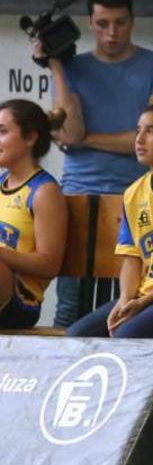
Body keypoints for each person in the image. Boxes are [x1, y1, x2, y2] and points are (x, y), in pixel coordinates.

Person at [38, 0, 153, 327]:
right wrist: (56, 64)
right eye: (102, 24)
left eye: (120, 23)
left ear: (132, 21)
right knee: (69, 307)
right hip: (78, 193)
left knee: (129, 301)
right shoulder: (74, 66)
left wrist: (85, 140)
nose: (112, 32)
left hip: (136, 195)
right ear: (90, 24)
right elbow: (68, 132)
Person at [66, 105, 153, 337]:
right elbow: (131, 258)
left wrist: (142, 304)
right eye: (138, 131)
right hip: (141, 295)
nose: (139, 139)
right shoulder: (134, 193)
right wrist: (125, 299)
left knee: (127, 336)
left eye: (151, 131)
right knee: (77, 336)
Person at [0, 100, 67, 329]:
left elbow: (48, 265)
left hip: (19, 301)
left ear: (30, 138)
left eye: (2, 132)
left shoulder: (44, 191)